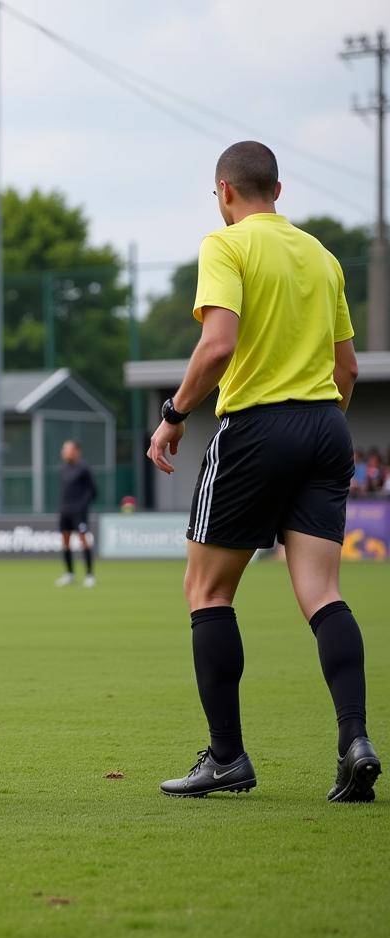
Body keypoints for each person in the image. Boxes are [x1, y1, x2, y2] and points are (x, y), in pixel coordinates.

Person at [147, 141, 380, 802]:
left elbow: (217, 343)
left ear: (224, 192)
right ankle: (355, 742)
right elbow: (349, 371)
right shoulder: (322, 255)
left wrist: (173, 413)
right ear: (278, 191)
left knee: (208, 592)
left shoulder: (226, 246)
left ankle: (226, 758)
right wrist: (319, 429)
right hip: (327, 428)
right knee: (323, 594)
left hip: (257, 427)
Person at [55, 439, 97, 588]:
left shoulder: (84, 468)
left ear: (76, 451)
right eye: (63, 449)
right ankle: (69, 574)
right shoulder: (63, 468)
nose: (64, 452)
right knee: (65, 542)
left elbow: (93, 491)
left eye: (66, 449)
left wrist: (81, 506)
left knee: (83, 541)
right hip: (65, 510)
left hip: (79, 512)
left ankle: (90, 575)